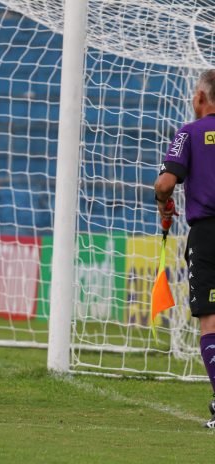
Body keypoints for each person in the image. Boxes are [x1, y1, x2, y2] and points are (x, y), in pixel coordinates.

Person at [155, 69, 215, 428]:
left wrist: (163, 201)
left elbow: (165, 184)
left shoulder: (190, 133)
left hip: (209, 234)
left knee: (211, 319)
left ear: (200, 98)